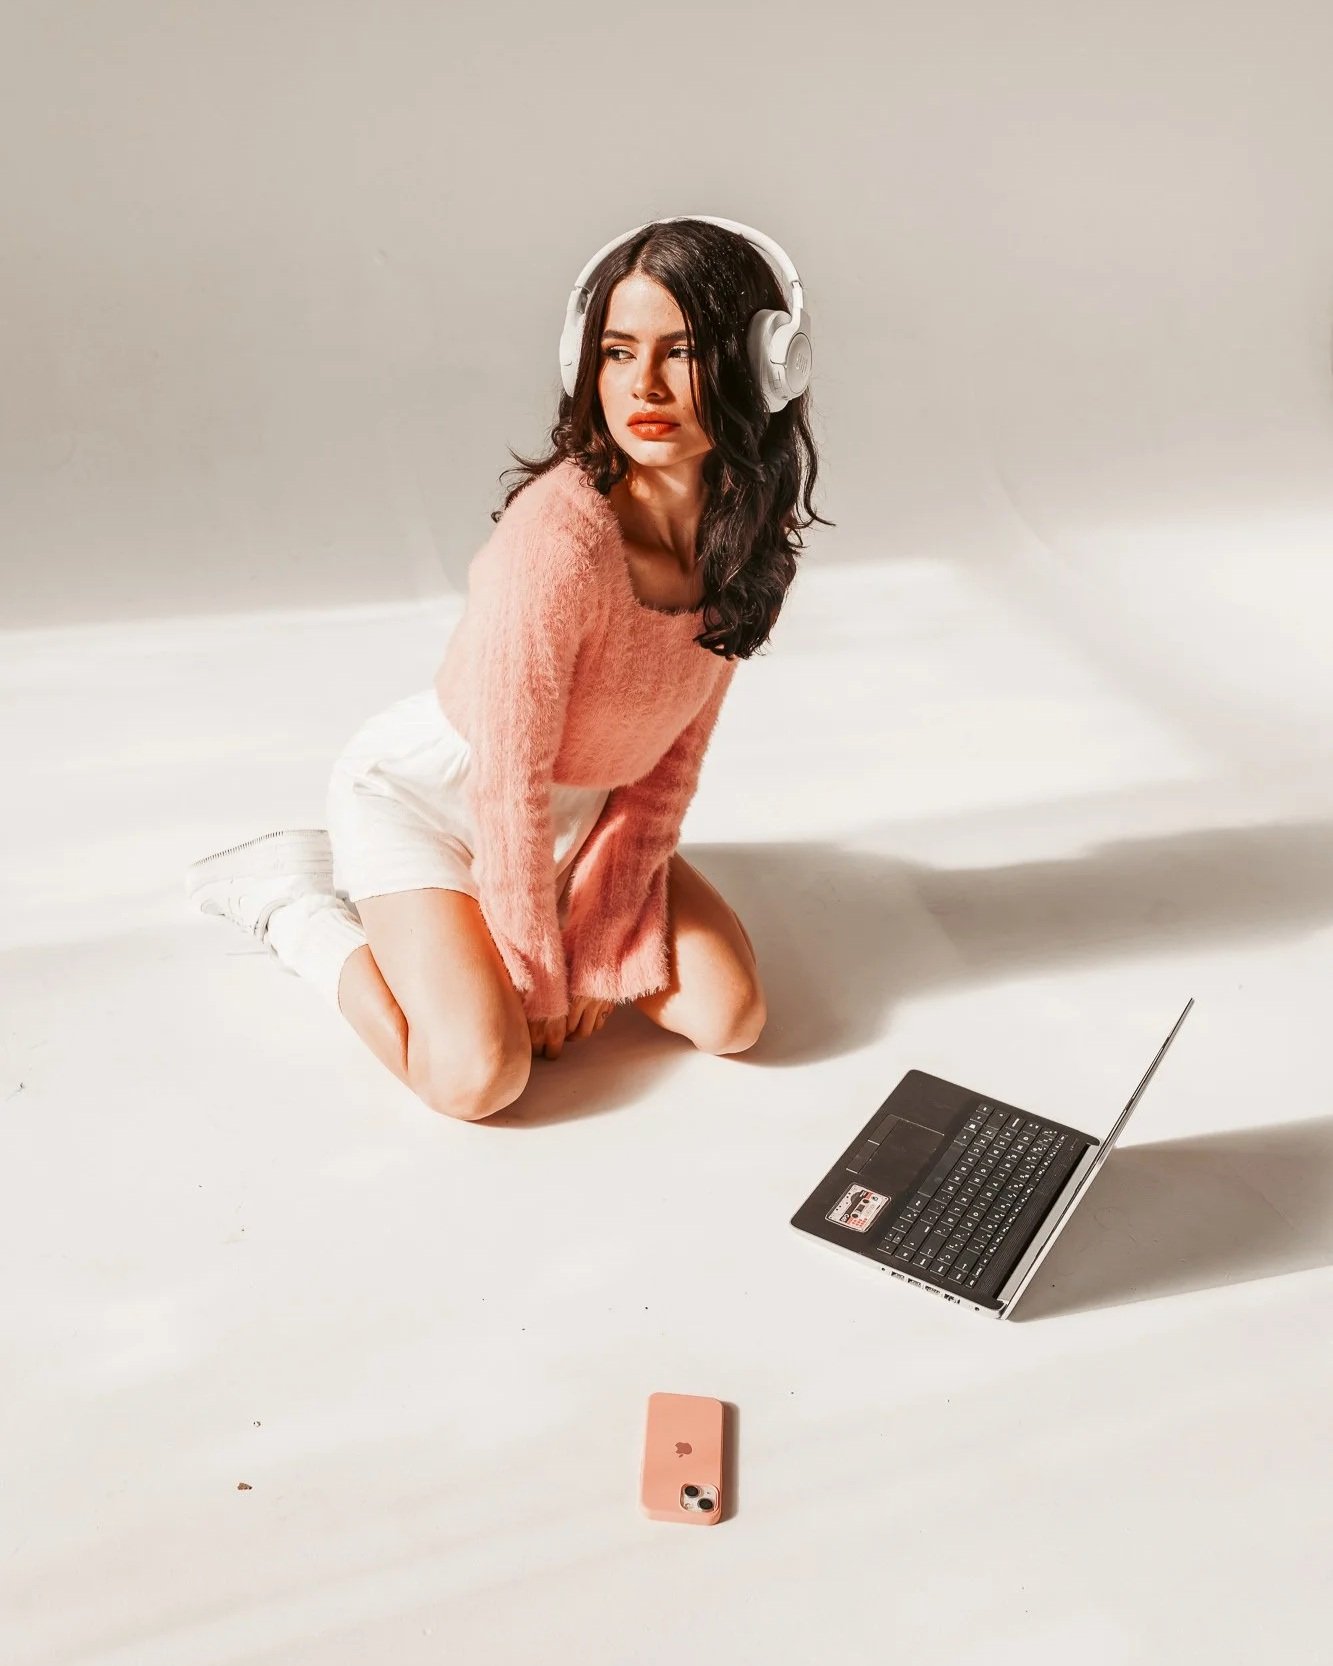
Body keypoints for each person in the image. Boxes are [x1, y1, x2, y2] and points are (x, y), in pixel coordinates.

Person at [185, 216, 830, 1121]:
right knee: (480, 1078)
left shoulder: (741, 534)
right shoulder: (557, 542)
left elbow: (673, 759)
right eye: (614, 351)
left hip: (585, 809)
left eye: (680, 351)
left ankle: (503, 926)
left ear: (764, 363)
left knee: (731, 1020)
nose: (641, 385)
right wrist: (537, 978)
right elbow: (508, 780)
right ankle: (293, 903)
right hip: (439, 799)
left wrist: (603, 938)